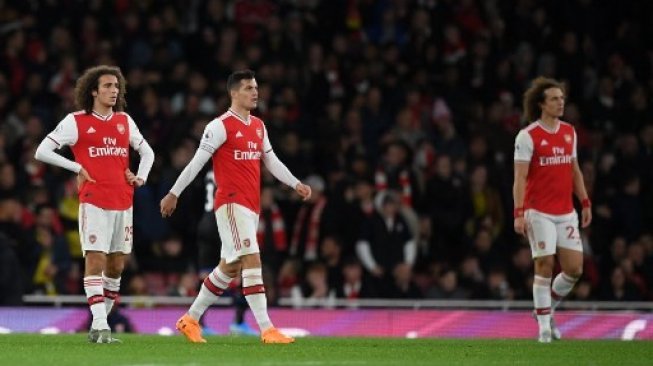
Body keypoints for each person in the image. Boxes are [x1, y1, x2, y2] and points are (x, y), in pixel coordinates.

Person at [160, 69, 311, 344]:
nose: (256, 92)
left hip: (251, 207)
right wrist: (173, 193)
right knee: (252, 259)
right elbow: (196, 163)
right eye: (249, 88)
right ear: (234, 93)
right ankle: (267, 329)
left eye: (256, 88)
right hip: (230, 203)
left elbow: (272, 161)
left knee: (229, 267)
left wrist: (295, 183)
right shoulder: (219, 126)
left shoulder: (258, 126)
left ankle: (190, 319)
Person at [34, 65, 155, 343]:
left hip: (123, 202)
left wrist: (141, 177)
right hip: (94, 202)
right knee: (95, 261)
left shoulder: (124, 120)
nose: (114, 91)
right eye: (108, 86)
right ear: (93, 91)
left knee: (116, 267)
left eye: (116, 87)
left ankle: (98, 325)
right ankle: (102, 326)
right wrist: (76, 166)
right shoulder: (76, 121)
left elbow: (147, 152)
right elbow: (42, 151)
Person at [513, 77, 591, 343]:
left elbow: (574, 170)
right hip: (538, 212)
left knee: (574, 269)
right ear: (541, 105)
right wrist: (519, 212)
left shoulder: (569, 131)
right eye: (555, 99)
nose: (561, 103)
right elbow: (520, 178)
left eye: (562, 98)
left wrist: (585, 201)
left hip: (565, 211)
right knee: (544, 264)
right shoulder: (527, 136)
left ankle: (544, 311)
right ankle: (545, 330)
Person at [196, 170, 257, 336]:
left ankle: (198, 322)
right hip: (223, 221)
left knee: (205, 274)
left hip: (205, 222)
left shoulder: (208, 173)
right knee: (242, 270)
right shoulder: (230, 167)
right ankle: (238, 322)